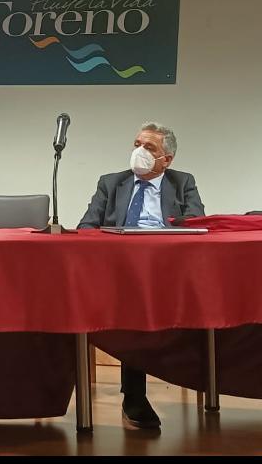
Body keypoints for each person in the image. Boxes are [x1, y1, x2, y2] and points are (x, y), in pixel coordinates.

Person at [77, 122, 205, 430]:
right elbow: (86, 227)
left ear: (166, 159)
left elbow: (197, 225)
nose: (139, 152)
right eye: (137, 144)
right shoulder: (111, 183)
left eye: (149, 147)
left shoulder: (183, 182)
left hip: (167, 268)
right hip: (119, 270)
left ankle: (179, 379)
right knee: (132, 307)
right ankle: (134, 396)